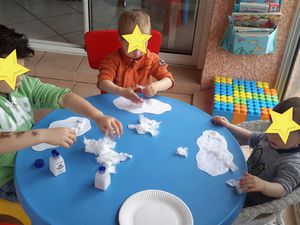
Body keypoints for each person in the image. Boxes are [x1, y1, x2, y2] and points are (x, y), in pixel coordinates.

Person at [0, 24, 123, 202]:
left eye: (21, 69)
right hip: (7, 178)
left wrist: (97, 115)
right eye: (13, 73)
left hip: (29, 154)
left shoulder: (22, 84)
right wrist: (41, 134)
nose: (21, 76)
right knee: (55, 198)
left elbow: (63, 97)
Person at [212, 97, 300, 207]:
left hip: (253, 200)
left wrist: (263, 185)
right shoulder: (269, 139)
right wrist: (229, 126)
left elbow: (282, 189)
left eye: (280, 134)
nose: (272, 135)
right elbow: (249, 136)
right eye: (272, 127)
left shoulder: (293, 163)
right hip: (242, 178)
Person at [97, 9, 174, 104]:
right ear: (120, 40)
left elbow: (169, 80)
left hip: (140, 105)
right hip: (114, 104)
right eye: (131, 47)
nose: (137, 53)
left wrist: (156, 87)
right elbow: (103, 82)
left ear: (148, 40)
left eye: (142, 46)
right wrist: (121, 91)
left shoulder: (152, 59)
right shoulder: (112, 60)